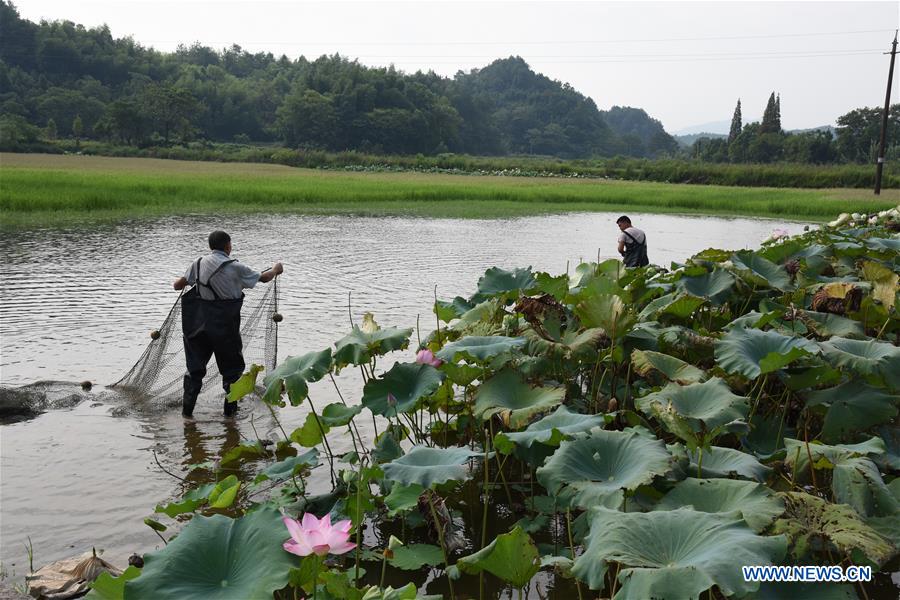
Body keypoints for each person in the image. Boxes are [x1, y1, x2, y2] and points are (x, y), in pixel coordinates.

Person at [173, 230, 283, 418]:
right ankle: (230, 421)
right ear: (228, 246)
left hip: (197, 328)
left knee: (194, 371)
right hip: (225, 329)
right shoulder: (236, 267)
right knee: (232, 373)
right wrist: (275, 269)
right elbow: (264, 278)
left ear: (210, 246)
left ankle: (187, 416)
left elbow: (177, 285)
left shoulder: (197, 264)